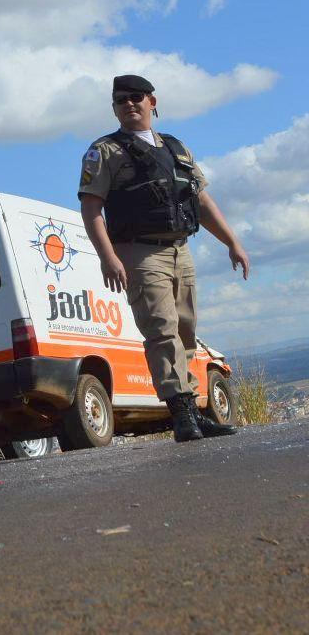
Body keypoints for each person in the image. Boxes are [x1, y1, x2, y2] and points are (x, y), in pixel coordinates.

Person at [78, 74, 249, 442]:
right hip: (138, 252)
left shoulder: (175, 148)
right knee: (162, 331)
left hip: (179, 250)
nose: (129, 104)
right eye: (120, 100)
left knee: (185, 330)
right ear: (114, 108)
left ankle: (193, 412)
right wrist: (108, 257)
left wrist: (231, 241)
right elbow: (91, 208)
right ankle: (182, 415)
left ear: (152, 101)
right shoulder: (105, 151)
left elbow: (200, 200)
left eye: (136, 97)